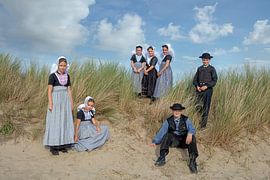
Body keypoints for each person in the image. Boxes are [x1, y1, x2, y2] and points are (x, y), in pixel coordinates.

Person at [150, 103, 198, 174]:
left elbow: (192, 128)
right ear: (172, 111)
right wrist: (155, 141)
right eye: (175, 110)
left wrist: (190, 133)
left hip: (184, 142)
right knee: (167, 134)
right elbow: (162, 131)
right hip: (174, 141)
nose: (177, 112)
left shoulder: (186, 119)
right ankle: (162, 157)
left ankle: (192, 161)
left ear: (181, 112)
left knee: (193, 137)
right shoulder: (168, 121)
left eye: (179, 110)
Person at [43, 56, 74, 155]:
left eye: (64, 65)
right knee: (55, 122)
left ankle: (62, 145)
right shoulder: (52, 76)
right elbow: (49, 90)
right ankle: (54, 147)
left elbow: (69, 90)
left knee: (64, 121)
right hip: (56, 100)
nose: (62, 67)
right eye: (61, 65)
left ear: (66, 66)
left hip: (65, 101)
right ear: (58, 65)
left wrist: (71, 103)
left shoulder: (68, 76)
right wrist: (51, 103)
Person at [193, 53, 217, 129]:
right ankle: (198, 119)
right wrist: (197, 86)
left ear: (209, 60)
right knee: (198, 105)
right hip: (199, 90)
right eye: (203, 60)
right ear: (202, 60)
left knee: (206, 107)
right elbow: (195, 79)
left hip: (208, 90)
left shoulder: (212, 69)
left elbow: (214, 80)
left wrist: (206, 86)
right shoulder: (199, 68)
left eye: (206, 60)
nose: (205, 61)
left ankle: (203, 125)